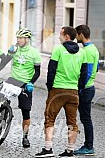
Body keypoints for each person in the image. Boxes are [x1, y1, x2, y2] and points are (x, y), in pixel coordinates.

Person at [35, 26, 87, 158]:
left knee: (49, 118)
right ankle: (70, 151)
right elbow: (84, 74)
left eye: (61, 34)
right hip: (73, 91)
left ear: (66, 37)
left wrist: (50, 87)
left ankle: (48, 149)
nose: (59, 36)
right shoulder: (82, 52)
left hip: (58, 89)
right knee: (72, 121)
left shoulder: (58, 49)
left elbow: (51, 70)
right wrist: (78, 88)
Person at [0, 28, 41, 148]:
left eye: (20, 38)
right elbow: (5, 62)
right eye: (17, 38)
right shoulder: (15, 49)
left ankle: (25, 137)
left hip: (25, 83)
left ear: (27, 39)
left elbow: (37, 72)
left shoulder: (34, 52)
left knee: (26, 112)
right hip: (12, 80)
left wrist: (31, 83)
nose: (18, 40)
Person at [74, 25, 99, 155]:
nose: (76, 38)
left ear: (81, 35)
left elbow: (88, 72)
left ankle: (89, 146)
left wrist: (80, 88)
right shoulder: (94, 49)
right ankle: (88, 145)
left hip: (86, 89)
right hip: (90, 87)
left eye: (77, 35)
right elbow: (96, 68)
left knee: (86, 119)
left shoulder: (87, 51)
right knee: (86, 118)